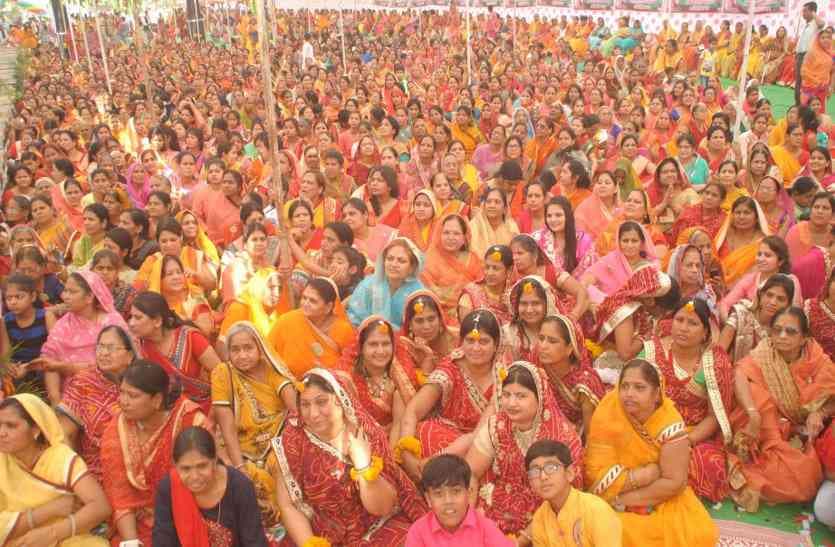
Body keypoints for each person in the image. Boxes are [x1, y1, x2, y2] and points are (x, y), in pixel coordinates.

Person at [272, 367, 427, 546]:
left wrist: (363, 466)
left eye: (321, 402)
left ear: (340, 400)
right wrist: (311, 544)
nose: (313, 414)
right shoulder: (293, 439)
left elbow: (383, 507)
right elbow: (288, 505)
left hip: (378, 525)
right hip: (323, 533)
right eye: (305, 405)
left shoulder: (365, 433)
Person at [584, 359, 719, 547]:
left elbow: (674, 483)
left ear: (656, 393)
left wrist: (623, 501)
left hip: (659, 497)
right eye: (625, 386)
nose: (629, 394)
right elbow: (595, 471)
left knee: (694, 534)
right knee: (593, 528)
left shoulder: (669, 424)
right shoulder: (609, 410)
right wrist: (642, 476)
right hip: (609, 495)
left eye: (639, 388)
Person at [729, 307, 835, 512]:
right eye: (777, 330)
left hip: (804, 431)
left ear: (804, 337)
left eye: (790, 331)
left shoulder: (818, 360)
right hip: (764, 430)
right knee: (756, 394)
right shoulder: (764, 353)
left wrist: (819, 412)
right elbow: (740, 374)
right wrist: (753, 413)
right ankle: (758, 462)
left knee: (805, 477)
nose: (782, 336)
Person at [465, 361, 583, 537]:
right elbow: (470, 473)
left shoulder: (560, 437)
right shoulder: (498, 425)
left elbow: (563, 499)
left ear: (540, 397)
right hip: (498, 508)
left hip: (547, 515)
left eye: (521, 396)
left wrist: (520, 540)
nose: (511, 403)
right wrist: (469, 517)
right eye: (506, 395)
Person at [101, 360, 210, 547]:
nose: (123, 401)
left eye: (133, 395)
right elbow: (120, 495)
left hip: (192, 513)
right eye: (122, 392)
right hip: (139, 523)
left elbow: (207, 478)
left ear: (157, 400)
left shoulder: (189, 420)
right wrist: (131, 542)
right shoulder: (118, 428)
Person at [640, 299, 734, 502]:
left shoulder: (714, 363)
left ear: (705, 332)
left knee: (708, 464)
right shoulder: (650, 352)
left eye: (692, 323)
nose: (683, 328)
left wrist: (685, 442)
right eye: (679, 320)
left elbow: (714, 416)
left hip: (692, 433)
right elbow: (633, 397)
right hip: (649, 429)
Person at [212, 321, 296, 527]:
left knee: (285, 467)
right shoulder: (223, 373)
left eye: (248, 348)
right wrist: (239, 465)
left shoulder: (270, 369)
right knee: (243, 478)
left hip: (277, 439)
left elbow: (292, 403)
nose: (242, 355)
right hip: (240, 447)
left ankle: (290, 523)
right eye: (235, 350)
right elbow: (226, 425)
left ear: (260, 349)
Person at [399, 309, 502, 474]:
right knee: (425, 430)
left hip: (480, 445)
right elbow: (414, 410)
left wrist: (433, 462)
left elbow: (476, 436)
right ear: (461, 342)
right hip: (443, 436)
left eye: (483, 341)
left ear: (496, 344)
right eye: (470, 341)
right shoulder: (452, 367)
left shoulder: (502, 376)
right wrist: (406, 452)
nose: (476, 348)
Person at [0, 394, 111, 546]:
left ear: (35, 430)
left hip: (65, 538)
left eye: (11, 425)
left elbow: (100, 506)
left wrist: (52, 533)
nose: (2, 433)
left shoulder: (60, 458)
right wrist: (50, 510)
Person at [153, 427, 272, 546]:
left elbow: (254, 542)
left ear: (214, 461)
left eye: (202, 466)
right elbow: (162, 540)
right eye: (185, 469)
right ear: (175, 465)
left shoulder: (240, 486)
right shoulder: (169, 488)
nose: (194, 476)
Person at [57, 325, 138, 480]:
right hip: (97, 472)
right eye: (100, 347)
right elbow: (65, 434)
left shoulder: (141, 382)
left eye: (111, 348)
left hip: (138, 467)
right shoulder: (83, 383)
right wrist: (77, 477)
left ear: (129, 355)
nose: (104, 353)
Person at [37, 270, 129, 404]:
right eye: (66, 291)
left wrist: (64, 366)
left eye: (72, 292)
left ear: (89, 297)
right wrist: (56, 399)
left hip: (111, 395)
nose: (65, 297)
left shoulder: (112, 322)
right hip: (70, 400)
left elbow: (119, 364)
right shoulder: (63, 325)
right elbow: (49, 361)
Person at [129, 291, 221, 410]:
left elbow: (222, 375)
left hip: (206, 406)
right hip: (165, 410)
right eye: (131, 317)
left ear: (157, 321)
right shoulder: (138, 346)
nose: (131, 323)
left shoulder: (190, 337)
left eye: (138, 318)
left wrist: (214, 412)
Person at [526, 439, 621, 547]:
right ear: (530, 482)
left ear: (569, 473)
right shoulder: (540, 519)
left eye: (551, 467)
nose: (543, 477)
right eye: (535, 471)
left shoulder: (596, 510)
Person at [405, 454, 513, 547]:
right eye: (438, 494)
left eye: (456, 491)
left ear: (469, 493)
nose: (448, 501)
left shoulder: (485, 528)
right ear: (428, 499)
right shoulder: (418, 532)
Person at [339, 316, 419, 438]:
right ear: (361, 348)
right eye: (373, 344)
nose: (381, 351)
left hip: (394, 440)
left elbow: (399, 425)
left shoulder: (399, 379)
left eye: (386, 344)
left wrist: (389, 455)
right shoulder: (348, 378)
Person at [268, 276, 354, 378]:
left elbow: (351, 367)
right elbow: (268, 353)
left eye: (313, 301)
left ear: (328, 307)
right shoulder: (287, 320)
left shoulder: (343, 330)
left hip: (327, 388)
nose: (305, 303)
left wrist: (328, 373)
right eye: (304, 298)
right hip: (287, 384)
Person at [536, 314, 605, 436]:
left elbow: (592, 435)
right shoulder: (535, 366)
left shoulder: (585, 382)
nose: (543, 346)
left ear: (569, 349)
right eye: (541, 338)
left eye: (552, 341)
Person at [348, 237, 425, 329]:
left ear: (412, 267)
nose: (394, 264)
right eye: (390, 259)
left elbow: (420, 326)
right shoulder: (368, 285)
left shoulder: (417, 293)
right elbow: (354, 317)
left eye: (401, 261)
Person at [420, 214, 483, 323]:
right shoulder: (430, 259)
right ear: (440, 235)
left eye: (456, 233)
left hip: (469, 315)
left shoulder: (473, 260)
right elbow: (428, 293)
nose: (450, 237)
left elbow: (480, 290)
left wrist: (464, 305)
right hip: (435, 317)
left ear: (464, 237)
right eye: (446, 233)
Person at [719, 273, 795, 362]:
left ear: (788, 305)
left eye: (780, 299)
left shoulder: (786, 330)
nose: (773, 302)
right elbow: (717, 355)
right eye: (769, 295)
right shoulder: (740, 315)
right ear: (760, 295)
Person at [458, 245, 514, 324]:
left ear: (509, 270)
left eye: (496, 268)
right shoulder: (471, 294)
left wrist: (510, 307)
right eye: (487, 267)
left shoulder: (514, 296)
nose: (490, 273)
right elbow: (466, 330)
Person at [795, 1, 825, 105]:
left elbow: (822, 23)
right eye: (802, 11)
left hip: (808, 57)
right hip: (799, 56)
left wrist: (813, 14)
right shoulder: (806, 25)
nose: (803, 13)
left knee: (806, 83)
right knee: (798, 82)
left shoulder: (816, 24)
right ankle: (798, 105)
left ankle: (806, 105)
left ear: (812, 12)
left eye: (805, 11)